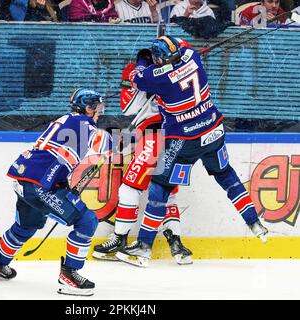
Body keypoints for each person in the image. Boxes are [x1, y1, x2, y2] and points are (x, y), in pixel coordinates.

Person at [115, 35, 269, 267]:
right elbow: (181, 43)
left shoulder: (160, 77)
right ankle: (254, 222)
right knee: (226, 175)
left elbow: (137, 77)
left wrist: (143, 60)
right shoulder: (192, 57)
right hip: (214, 131)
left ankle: (144, 247)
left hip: (184, 140)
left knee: (160, 187)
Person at [0, 88, 112, 296]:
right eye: (97, 107)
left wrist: (61, 183)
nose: (100, 112)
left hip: (26, 178)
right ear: (88, 108)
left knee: (26, 226)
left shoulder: (67, 120)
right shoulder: (84, 124)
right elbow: (107, 145)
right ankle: (70, 274)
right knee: (87, 221)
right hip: (38, 184)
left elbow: (58, 155)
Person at [92, 55, 193, 266]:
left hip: (155, 135)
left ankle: (119, 239)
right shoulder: (181, 71)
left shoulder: (139, 72)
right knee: (165, 193)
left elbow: (128, 108)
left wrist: (140, 74)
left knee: (129, 187)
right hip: (181, 139)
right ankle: (177, 245)